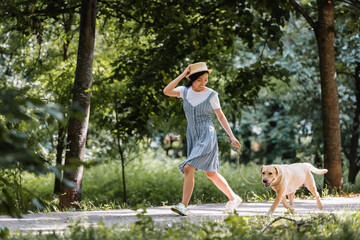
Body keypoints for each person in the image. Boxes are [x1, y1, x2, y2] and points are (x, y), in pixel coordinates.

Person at [163, 62, 242, 216]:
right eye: (199, 80)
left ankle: (183, 205)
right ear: (191, 78)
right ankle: (234, 198)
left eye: (206, 79)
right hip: (193, 134)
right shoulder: (184, 91)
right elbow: (167, 91)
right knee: (210, 173)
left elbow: (220, 116)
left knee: (188, 167)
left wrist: (231, 136)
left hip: (207, 133)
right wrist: (182, 75)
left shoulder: (211, 94)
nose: (203, 83)